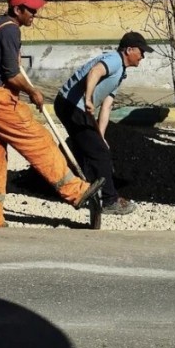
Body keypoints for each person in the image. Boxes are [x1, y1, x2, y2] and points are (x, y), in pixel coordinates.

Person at [0, 0, 104, 227]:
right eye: (31, 10)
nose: (34, 14)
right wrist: (33, 92)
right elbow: (11, 74)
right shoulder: (10, 30)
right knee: (39, 142)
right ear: (17, 9)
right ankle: (77, 191)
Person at [54, 32, 153, 215]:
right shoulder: (114, 59)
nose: (143, 56)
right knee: (98, 152)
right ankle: (109, 201)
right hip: (71, 105)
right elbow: (95, 71)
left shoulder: (120, 72)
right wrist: (88, 97)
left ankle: (82, 190)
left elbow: (106, 107)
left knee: (92, 147)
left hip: (71, 106)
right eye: (141, 51)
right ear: (129, 50)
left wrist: (101, 136)